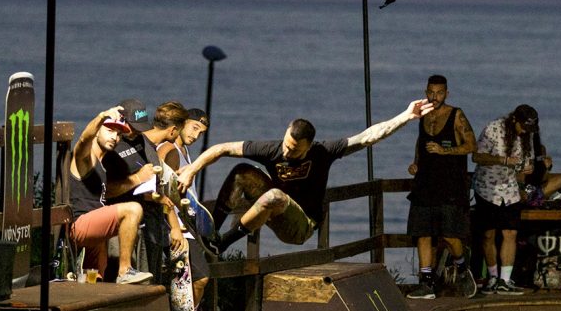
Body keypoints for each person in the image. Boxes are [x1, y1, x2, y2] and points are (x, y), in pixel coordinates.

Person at [175, 99, 434, 254]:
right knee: (242, 172)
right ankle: (211, 237)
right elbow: (222, 148)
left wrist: (406, 116)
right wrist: (191, 169)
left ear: (308, 146)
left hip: (302, 225)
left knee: (275, 195)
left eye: (294, 149)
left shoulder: (324, 152)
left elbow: (368, 136)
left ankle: (224, 243)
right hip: (274, 210)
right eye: (286, 144)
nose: (287, 151)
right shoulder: (272, 149)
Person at [405, 75, 478, 300]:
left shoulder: (456, 115)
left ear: (447, 93)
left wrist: (445, 151)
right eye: (430, 92)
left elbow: (471, 145)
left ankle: (462, 268)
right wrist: (416, 162)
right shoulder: (423, 115)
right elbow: (421, 141)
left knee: (450, 235)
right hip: (425, 184)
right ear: (426, 92)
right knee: (422, 234)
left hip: (450, 186)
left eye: (438, 93)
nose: (434, 97)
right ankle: (426, 283)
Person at [102, 100, 189, 283]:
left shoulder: (142, 141)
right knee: (121, 280)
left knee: (148, 280)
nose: (134, 132)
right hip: (119, 225)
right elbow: (106, 191)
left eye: (139, 127)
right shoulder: (112, 147)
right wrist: (138, 179)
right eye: (132, 127)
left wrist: (159, 199)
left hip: (146, 226)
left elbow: (152, 187)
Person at [68, 105, 152, 284]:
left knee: (94, 279)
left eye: (118, 134)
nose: (114, 137)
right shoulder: (86, 158)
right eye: (109, 130)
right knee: (133, 210)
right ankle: (125, 271)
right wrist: (101, 116)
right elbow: (83, 140)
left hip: (95, 233)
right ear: (98, 130)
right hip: (81, 224)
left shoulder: (102, 163)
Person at [472, 104, 539, 295]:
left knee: (511, 233)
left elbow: (528, 161)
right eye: (523, 127)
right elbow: (477, 156)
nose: (526, 132)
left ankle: (505, 280)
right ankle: (492, 277)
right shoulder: (494, 128)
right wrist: (502, 160)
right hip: (488, 188)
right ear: (514, 120)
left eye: (530, 129)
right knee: (488, 234)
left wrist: (527, 169)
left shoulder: (528, 135)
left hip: (510, 190)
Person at [157, 108, 211, 311]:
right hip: (176, 227)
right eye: (194, 128)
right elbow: (158, 189)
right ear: (182, 123)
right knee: (199, 277)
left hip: (189, 225)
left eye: (201, 133)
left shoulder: (184, 152)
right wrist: (173, 227)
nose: (196, 136)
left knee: (188, 281)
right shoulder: (169, 149)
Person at [520, 131, 561, 209]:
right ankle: (541, 202)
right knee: (519, 193)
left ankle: (538, 202)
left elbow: (543, 179)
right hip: (519, 189)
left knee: (560, 180)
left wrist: (547, 167)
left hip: (536, 189)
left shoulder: (541, 149)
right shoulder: (512, 150)